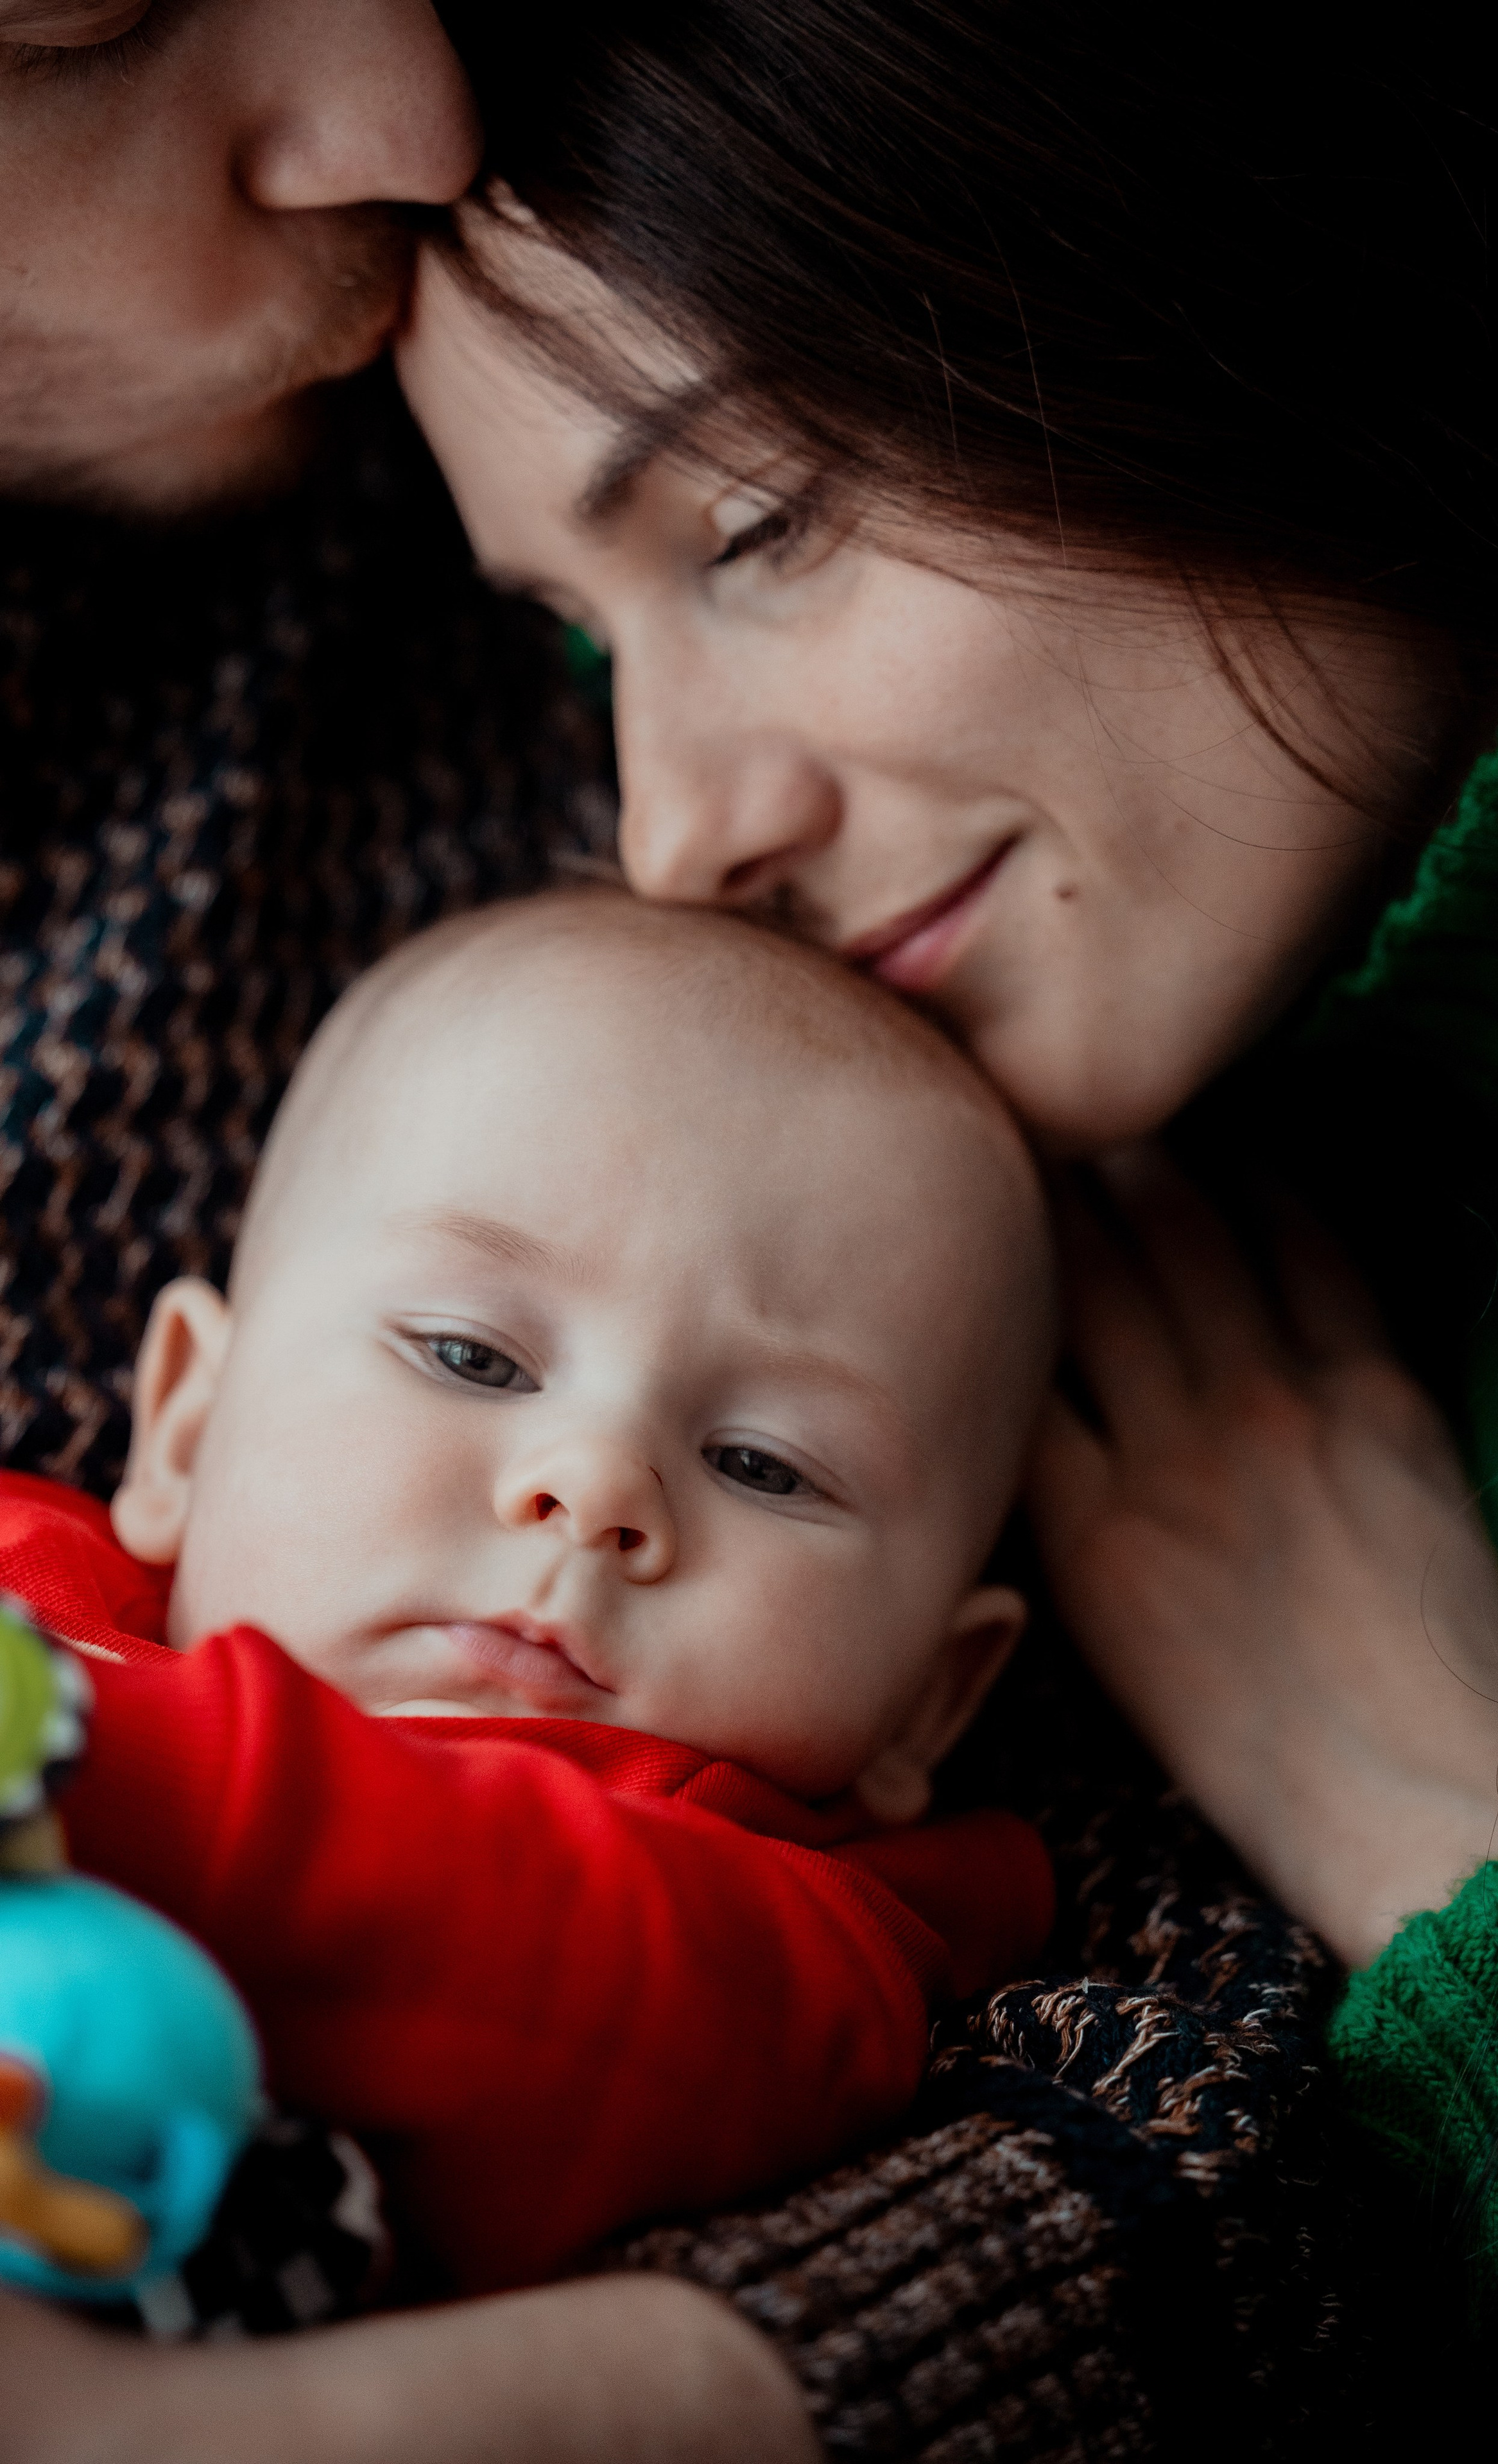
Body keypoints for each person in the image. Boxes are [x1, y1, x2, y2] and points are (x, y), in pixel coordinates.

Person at [397, 7, 1498, 2434]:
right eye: (580, 640)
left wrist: (1464, 1862)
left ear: (1219, 237)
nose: (674, 837)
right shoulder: (1076, 1329)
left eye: (754, 526)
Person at [1, 6, 824, 2458]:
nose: (412, 118)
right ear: (179, 1409)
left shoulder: (566, 803)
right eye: (79, 13)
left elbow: (1182, 2125)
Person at [4, 888, 1055, 2290]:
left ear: (929, 1694)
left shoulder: (788, 1954)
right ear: (189, 1425)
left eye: (762, 1462)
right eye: (471, 1357)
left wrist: (61, 1743)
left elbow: (518, 1947)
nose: (598, 1484)